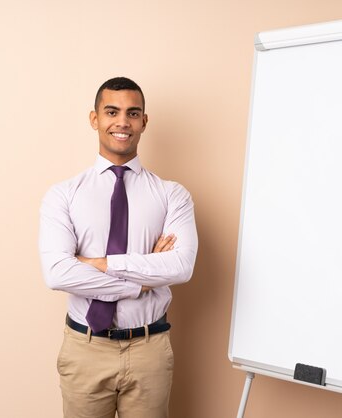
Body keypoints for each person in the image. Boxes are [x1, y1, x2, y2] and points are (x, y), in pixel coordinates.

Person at [39, 77, 198, 418]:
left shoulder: (172, 195)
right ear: (95, 119)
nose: (122, 122)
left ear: (144, 121)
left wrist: (96, 263)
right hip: (85, 348)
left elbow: (181, 266)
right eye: (112, 111)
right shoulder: (63, 195)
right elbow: (58, 273)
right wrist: (142, 279)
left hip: (149, 349)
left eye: (132, 113)